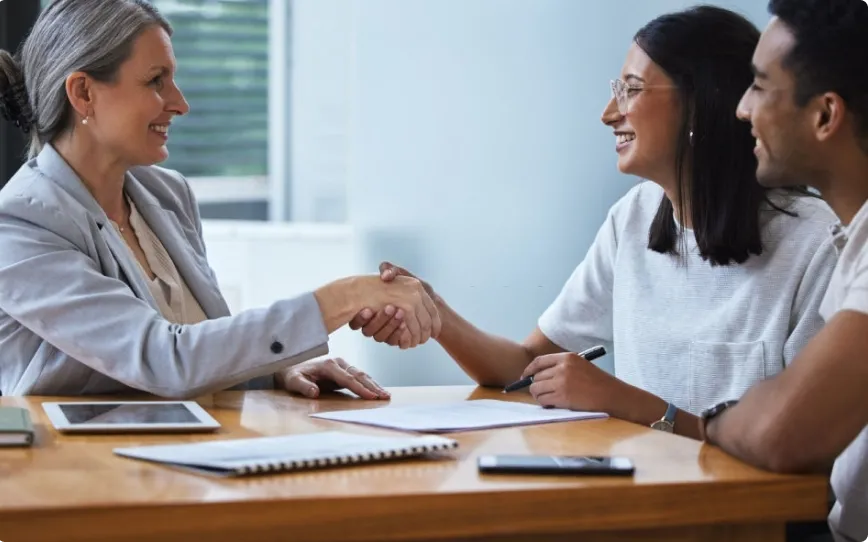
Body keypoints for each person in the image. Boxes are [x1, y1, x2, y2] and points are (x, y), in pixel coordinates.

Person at [351, 5, 838, 440]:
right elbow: (525, 367)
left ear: (702, 100)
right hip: (646, 500)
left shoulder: (816, 242)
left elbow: (795, 445)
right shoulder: (634, 217)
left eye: (630, 89)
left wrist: (627, 401)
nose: (609, 114)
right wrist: (433, 311)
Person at [0, 0, 441, 399]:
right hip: (78, 477)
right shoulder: (20, 226)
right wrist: (345, 296)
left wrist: (276, 372)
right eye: (157, 81)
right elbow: (163, 358)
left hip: (183, 465)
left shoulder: (167, 196)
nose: (181, 103)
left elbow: (201, 349)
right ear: (83, 93)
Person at [700, 1, 868, 540]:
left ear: (824, 115)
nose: (741, 110)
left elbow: (783, 430)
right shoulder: (853, 243)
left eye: (759, 86)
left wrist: (719, 419)